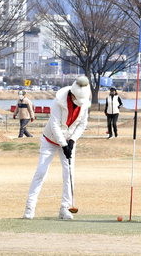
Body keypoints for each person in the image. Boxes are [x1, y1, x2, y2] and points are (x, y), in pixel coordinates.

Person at [23, 76, 91, 220]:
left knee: (69, 173)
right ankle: (30, 208)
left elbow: (82, 124)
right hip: (50, 140)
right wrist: (64, 144)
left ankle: (65, 208)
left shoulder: (84, 104)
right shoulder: (58, 101)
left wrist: (72, 140)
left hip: (69, 140)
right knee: (41, 172)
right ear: (72, 94)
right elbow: (54, 125)